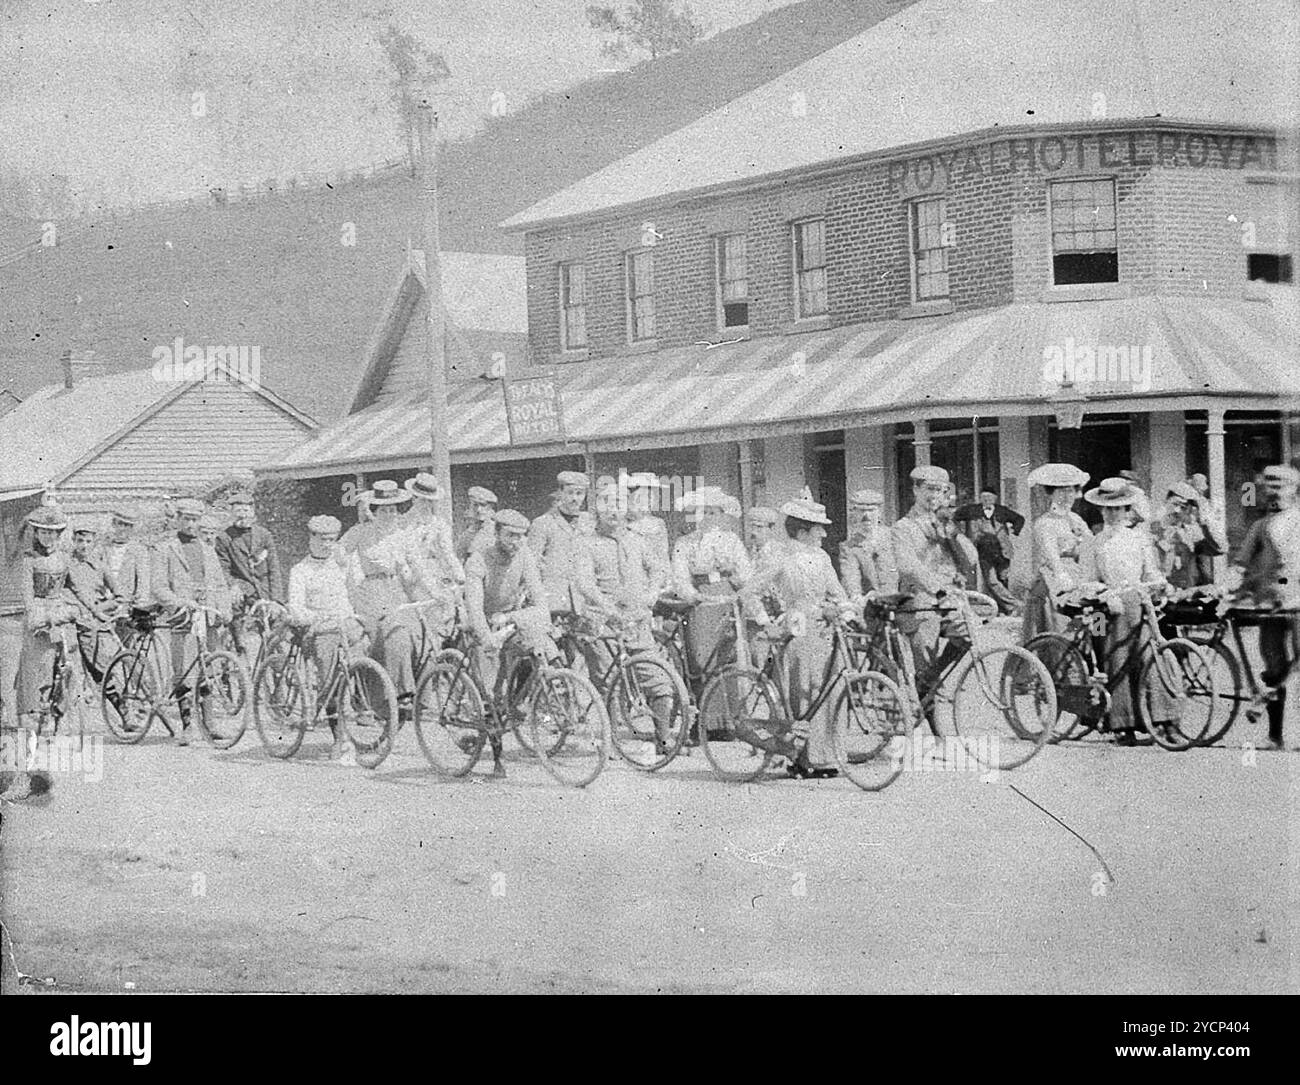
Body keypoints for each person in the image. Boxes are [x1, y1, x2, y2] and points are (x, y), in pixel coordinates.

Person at [745, 491, 855, 779]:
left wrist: (846, 610)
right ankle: (802, 757)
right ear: (803, 530)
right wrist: (764, 622)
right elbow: (750, 592)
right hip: (797, 623)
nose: (823, 533)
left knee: (828, 686)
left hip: (824, 625)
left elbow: (837, 591)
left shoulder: (821, 557)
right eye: (818, 527)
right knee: (802, 687)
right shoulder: (782, 556)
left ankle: (829, 755)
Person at [1078, 477, 1177, 746]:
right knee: (1114, 660)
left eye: (1119, 508)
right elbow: (1086, 580)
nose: (1113, 514)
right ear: (1101, 510)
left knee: (1149, 659)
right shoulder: (1093, 542)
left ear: (1128, 511)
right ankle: (1121, 725)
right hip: (1103, 609)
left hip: (1137, 603)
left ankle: (1163, 721)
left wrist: (1161, 585)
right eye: (1108, 509)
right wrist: (1106, 594)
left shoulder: (1140, 540)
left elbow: (1150, 572)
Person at [581, 484, 679, 752]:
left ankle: (663, 738)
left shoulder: (637, 540)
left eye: (619, 502)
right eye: (606, 502)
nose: (613, 508)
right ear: (597, 508)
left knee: (657, 679)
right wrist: (608, 608)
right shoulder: (587, 544)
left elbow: (658, 568)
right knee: (607, 682)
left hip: (637, 622)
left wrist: (651, 592)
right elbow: (585, 584)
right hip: (603, 625)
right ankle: (610, 742)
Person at [464, 509, 557, 777]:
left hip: (507, 621)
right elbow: (474, 608)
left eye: (521, 536)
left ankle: (518, 705)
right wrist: (487, 637)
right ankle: (496, 760)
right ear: (497, 534)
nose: (516, 542)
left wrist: (511, 617)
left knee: (538, 648)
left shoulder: (524, 555)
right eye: (511, 536)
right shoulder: (478, 560)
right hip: (482, 625)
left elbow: (540, 603)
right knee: (491, 696)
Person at [3, 506, 78, 800]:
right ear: (35, 532)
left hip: (59, 629)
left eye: (54, 532)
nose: (48, 537)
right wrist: (42, 618)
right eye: (43, 532)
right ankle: (23, 775)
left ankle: (54, 722)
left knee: (67, 681)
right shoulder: (27, 560)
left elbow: (75, 588)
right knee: (29, 707)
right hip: (36, 632)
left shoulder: (63, 558)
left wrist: (89, 608)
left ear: (60, 534)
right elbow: (28, 598)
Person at [891, 466, 979, 705]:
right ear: (915, 490)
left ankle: (932, 678)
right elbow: (908, 566)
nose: (934, 496)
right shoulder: (903, 527)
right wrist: (937, 589)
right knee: (925, 642)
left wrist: (954, 536)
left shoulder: (944, 523)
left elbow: (971, 560)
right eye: (929, 489)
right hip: (919, 599)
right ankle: (927, 685)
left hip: (949, 598)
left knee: (969, 632)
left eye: (940, 491)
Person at [1231, 464, 1300, 751]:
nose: (1274, 494)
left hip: (1298, 601)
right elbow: (1241, 562)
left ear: (1294, 490)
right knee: (1273, 666)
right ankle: (1275, 736)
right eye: (1270, 489)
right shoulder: (1260, 526)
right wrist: (1227, 587)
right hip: (1269, 604)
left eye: (1280, 488)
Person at [152, 498, 232, 745]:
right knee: (184, 669)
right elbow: (158, 587)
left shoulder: (207, 550)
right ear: (177, 519)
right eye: (185, 518)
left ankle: (210, 723)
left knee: (208, 668)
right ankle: (188, 725)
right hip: (182, 615)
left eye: (194, 519)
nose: (190, 524)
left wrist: (224, 609)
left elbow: (219, 583)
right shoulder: (166, 548)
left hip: (206, 615)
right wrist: (179, 603)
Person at [287, 515, 363, 765]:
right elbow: (296, 609)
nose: (328, 544)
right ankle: (339, 738)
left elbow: (354, 593)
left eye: (332, 540)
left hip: (344, 625)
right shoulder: (301, 570)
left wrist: (354, 615)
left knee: (367, 646)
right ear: (311, 538)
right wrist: (318, 617)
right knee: (330, 674)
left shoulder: (342, 565)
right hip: (317, 631)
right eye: (322, 539)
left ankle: (366, 703)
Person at [338, 480, 420, 712]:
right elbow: (339, 552)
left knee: (415, 632)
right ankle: (390, 694)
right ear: (374, 511)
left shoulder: (402, 535)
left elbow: (415, 566)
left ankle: (416, 691)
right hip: (371, 591)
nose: (389, 514)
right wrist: (345, 566)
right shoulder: (362, 532)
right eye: (384, 510)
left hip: (397, 590)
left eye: (393, 509)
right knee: (387, 634)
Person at [671, 486, 753, 689]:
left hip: (727, 599)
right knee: (702, 656)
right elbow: (679, 576)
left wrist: (733, 575)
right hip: (701, 602)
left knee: (728, 654)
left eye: (712, 512)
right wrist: (692, 595)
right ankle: (705, 711)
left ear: (721, 515)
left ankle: (731, 713)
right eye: (703, 512)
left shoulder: (731, 540)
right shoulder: (686, 542)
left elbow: (746, 573)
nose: (707, 517)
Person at [64, 516, 127, 719]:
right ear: (74, 540)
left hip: (98, 626)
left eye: (88, 541)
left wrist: (102, 608)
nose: (84, 545)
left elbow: (120, 595)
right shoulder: (66, 564)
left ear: (94, 542)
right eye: (80, 541)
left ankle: (125, 711)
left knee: (105, 669)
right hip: (73, 624)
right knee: (70, 672)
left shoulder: (99, 565)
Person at [1021, 463, 1092, 641]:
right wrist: (1061, 575)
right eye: (1061, 491)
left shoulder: (1077, 519)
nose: (1067, 496)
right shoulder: (1044, 523)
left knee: (1095, 621)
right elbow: (1051, 554)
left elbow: (1091, 545)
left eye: (1070, 491)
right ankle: (1058, 664)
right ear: (1051, 493)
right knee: (1061, 628)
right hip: (1053, 579)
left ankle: (1092, 659)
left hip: (1079, 575)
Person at [392, 473, 463, 644]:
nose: (426, 504)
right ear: (414, 499)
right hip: (410, 577)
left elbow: (447, 553)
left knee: (454, 607)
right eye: (422, 500)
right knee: (427, 610)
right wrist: (432, 588)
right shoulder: (403, 524)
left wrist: (460, 576)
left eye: (430, 500)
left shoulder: (439, 524)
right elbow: (413, 559)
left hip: (434, 574)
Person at [214, 490, 285, 663]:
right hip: (242, 588)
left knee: (275, 628)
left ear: (252, 512)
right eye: (238, 511)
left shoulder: (264, 535)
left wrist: (276, 599)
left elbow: (274, 568)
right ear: (231, 513)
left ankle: (276, 665)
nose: (242, 516)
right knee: (236, 616)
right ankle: (239, 655)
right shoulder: (224, 538)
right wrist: (233, 585)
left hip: (263, 589)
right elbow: (223, 567)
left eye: (246, 511)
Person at [529, 470, 604, 615]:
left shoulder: (590, 522)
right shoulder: (543, 523)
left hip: (585, 600)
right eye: (570, 493)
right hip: (554, 599)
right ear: (560, 493)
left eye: (579, 494)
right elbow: (532, 564)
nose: (574, 498)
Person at [953, 487, 1025, 614]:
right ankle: (1015, 605)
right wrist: (960, 533)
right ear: (980, 498)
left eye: (989, 497)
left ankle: (1004, 609)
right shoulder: (971, 510)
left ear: (995, 498)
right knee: (992, 581)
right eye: (984, 497)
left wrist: (1014, 531)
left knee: (1002, 579)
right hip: (984, 551)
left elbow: (1019, 519)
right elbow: (954, 517)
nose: (986, 499)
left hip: (1003, 551)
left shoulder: (1002, 511)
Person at [1151, 481, 1226, 591]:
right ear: (1166, 502)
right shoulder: (1152, 529)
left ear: (1189, 510)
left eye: (1183, 507)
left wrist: (1204, 521)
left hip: (1184, 596)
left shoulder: (1190, 532)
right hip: (1158, 596)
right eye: (1175, 504)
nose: (1177, 510)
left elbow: (1220, 548)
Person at [624, 472, 671, 585]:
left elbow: (663, 553)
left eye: (650, 496)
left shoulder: (658, 523)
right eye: (640, 497)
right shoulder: (623, 524)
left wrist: (668, 578)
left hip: (656, 575)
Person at [455, 485, 498, 565]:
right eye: (475, 505)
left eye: (483, 505)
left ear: (490, 508)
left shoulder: (496, 532)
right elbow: (458, 559)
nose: (478, 510)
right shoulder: (467, 534)